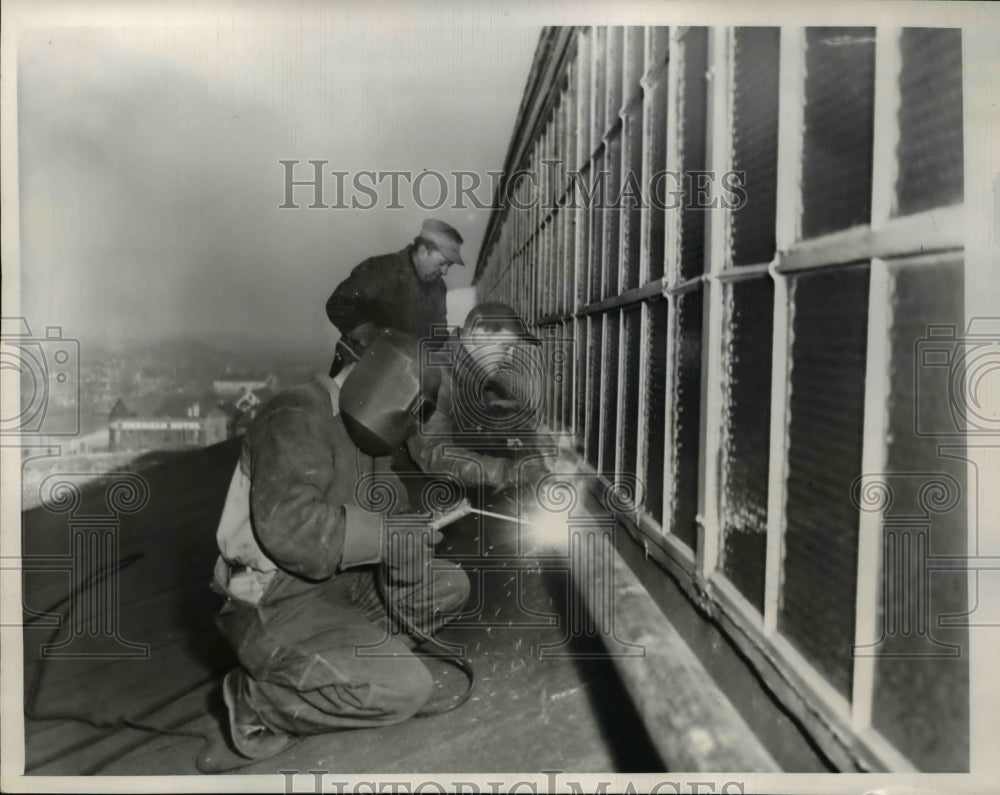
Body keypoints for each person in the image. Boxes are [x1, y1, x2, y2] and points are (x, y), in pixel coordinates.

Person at [208, 329, 469, 763]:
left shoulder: (367, 433)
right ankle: (259, 700)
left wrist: (413, 535)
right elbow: (290, 529)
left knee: (447, 585)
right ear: (376, 375)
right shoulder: (294, 413)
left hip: (337, 586)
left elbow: (388, 511)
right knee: (406, 691)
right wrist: (387, 538)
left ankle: (345, 668)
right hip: (271, 601)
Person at [407, 301, 555, 497]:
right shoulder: (435, 378)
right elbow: (434, 453)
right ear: (478, 335)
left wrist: (536, 434)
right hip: (415, 492)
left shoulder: (470, 373)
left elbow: (494, 407)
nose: (509, 358)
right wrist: (509, 471)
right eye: (505, 347)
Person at [325, 219, 465, 376]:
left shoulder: (438, 288)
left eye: (449, 266)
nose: (445, 271)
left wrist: (453, 342)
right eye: (442, 263)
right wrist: (368, 335)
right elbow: (338, 304)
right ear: (423, 251)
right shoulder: (381, 270)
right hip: (356, 369)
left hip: (398, 378)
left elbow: (434, 334)